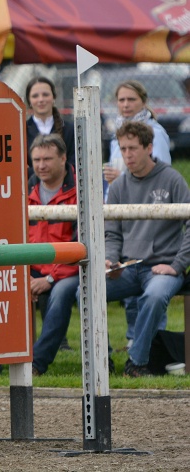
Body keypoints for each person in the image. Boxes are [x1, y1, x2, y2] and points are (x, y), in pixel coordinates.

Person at [103, 121, 190, 377]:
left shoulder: (172, 179)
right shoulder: (118, 186)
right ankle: (101, 360)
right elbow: (112, 233)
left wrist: (176, 265)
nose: (126, 155)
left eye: (132, 148)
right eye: (122, 149)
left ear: (149, 147)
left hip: (162, 268)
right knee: (84, 292)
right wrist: (110, 261)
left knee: (153, 297)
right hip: (128, 267)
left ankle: (136, 363)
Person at [102, 80, 173, 346]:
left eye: (131, 99)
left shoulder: (155, 132)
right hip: (123, 217)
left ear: (143, 101)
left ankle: (155, 343)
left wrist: (124, 176)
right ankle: (134, 338)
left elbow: (161, 174)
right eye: (121, 100)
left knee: (151, 283)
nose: (125, 105)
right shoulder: (118, 132)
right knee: (129, 277)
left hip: (149, 218)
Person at [25, 134, 79, 376]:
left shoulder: (81, 190)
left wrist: (48, 279)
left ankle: (36, 364)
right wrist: (24, 275)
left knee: (60, 293)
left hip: (70, 269)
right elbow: (15, 239)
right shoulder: (24, 190)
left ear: (63, 159)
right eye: (36, 159)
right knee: (3, 287)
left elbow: (82, 246)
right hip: (32, 268)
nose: (41, 165)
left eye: (47, 158)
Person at [24, 77, 76, 178]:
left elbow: (74, 165)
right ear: (29, 101)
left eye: (45, 95)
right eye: (35, 96)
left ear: (54, 98)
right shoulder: (20, 131)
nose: (41, 100)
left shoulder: (70, 130)